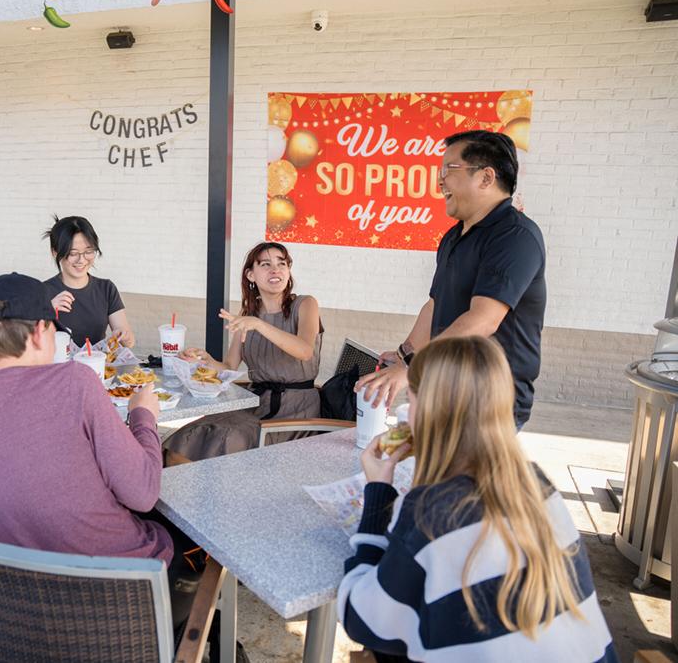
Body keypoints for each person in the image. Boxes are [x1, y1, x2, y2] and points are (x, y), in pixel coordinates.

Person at [0, 273, 208, 626]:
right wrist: (143, 416)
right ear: (38, 332)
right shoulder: (74, 381)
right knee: (199, 532)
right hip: (123, 592)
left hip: (28, 594)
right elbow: (142, 494)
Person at [338, 337, 617, 662]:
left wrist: (378, 491)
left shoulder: (431, 512)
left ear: (429, 412)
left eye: (411, 402)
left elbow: (360, 618)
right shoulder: (538, 484)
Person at [356, 130, 546, 429]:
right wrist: (405, 354)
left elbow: (483, 320)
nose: (440, 180)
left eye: (449, 169)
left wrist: (414, 367)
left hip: (488, 400)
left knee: (459, 477)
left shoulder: (514, 237)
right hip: (446, 389)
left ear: (485, 177)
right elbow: (435, 303)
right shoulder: (455, 236)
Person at [165, 242, 322, 462]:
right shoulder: (249, 315)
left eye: (281, 263)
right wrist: (204, 360)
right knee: (182, 444)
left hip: (296, 411)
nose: (275, 269)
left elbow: (305, 350)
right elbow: (229, 366)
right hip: (254, 403)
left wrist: (258, 324)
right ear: (251, 275)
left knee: (218, 441)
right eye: (266, 264)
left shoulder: (305, 304)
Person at [44, 215, 135, 347]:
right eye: (73, 253)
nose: (81, 260)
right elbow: (26, 343)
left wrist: (124, 336)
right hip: (58, 367)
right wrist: (47, 310)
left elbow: (129, 341)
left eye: (88, 251)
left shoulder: (106, 288)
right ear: (55, 252)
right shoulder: (42, 292)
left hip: (95, 365)